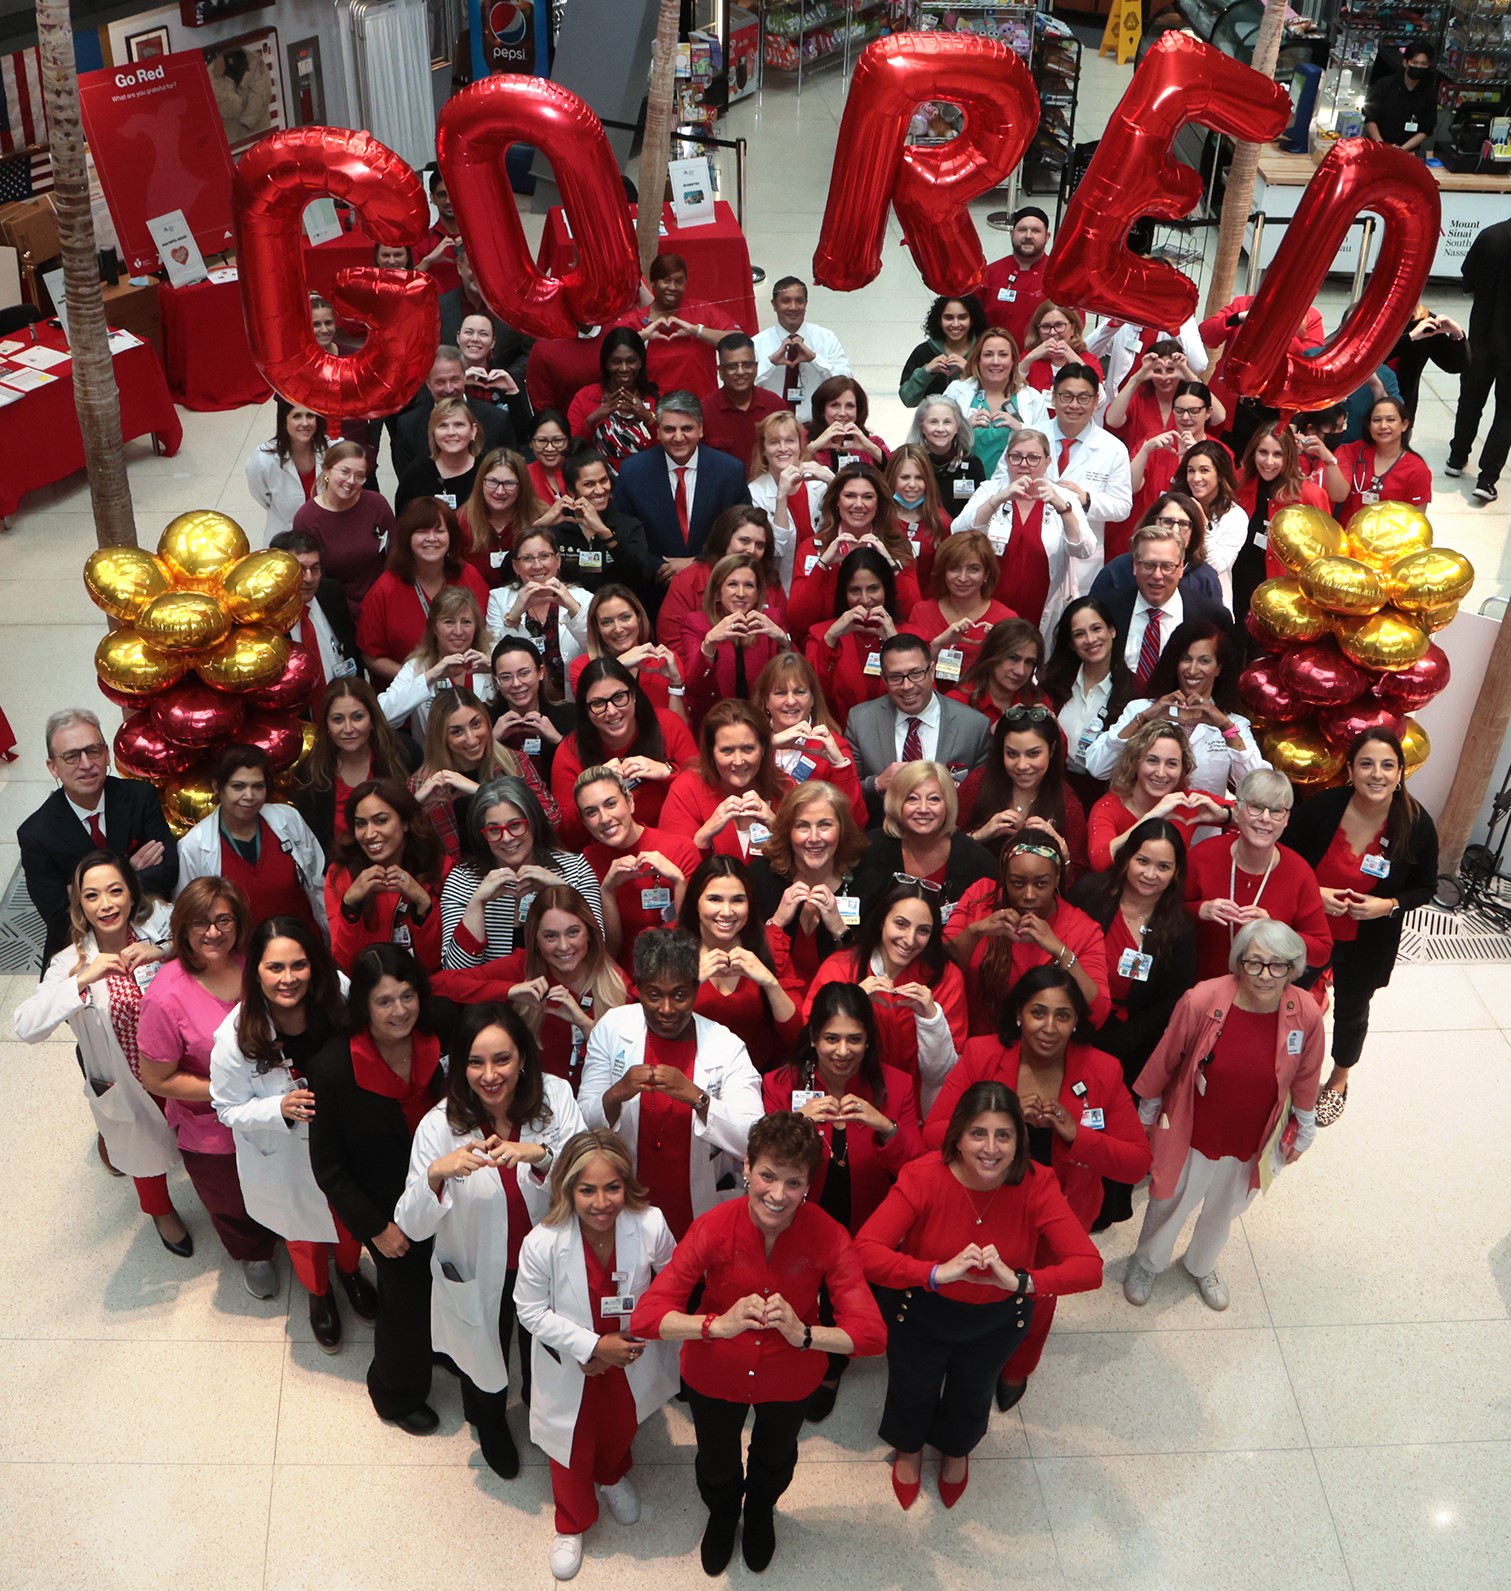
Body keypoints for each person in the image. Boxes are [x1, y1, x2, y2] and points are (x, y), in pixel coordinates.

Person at [631, 1111, 886, 1574]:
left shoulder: (828, 1235)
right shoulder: (712, 1226)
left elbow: (871, 1335)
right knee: (715, 1458)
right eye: (767, 1175)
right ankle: (725, 1512)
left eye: (793, 1183)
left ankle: (761, 1510)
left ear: (809, 1184)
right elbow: (648, 1317)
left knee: (775, 1456)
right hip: (715, 1371)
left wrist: (804, 1334)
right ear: (746, 1167)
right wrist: (715, 1325)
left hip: (790, 1376)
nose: (777, 1194)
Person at [855, 1080, 1101, 1508]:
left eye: (1003, 1135)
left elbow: (1089, 1267)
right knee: (912, 1386)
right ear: (958, 1137)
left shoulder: (1038, 1183)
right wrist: (934, 1273)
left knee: (973, 1391)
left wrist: (1021, 1282)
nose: (991, 1149)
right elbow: (865, 1252)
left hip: (996, 1319)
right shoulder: (923, 1175)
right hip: (920, 1311)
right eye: (978, 1134)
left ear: (1019, 1141)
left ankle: (956, 1449)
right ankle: (909, 1448)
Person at [921, 970, 1148, 1408]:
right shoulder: (984, 1055)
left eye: (1063, 1015)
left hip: (1058, 1213)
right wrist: (996, 1124)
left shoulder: (1102, 1069)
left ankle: (1017, 1367)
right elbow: (934, 1133)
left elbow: (1137, 1161)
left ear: (1077, 1021)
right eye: (1038, 1012)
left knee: (1036, 1298)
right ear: (1019, 1015)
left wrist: (1075, 1133)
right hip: (984, 1205)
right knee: (977, 1289)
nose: (1049, 1026)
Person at [395, 1002, 586, 1476]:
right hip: (481, 1270)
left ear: (523, 1058)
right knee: (482, 1353)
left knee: (544, 1351)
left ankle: (543, 1416)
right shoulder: (439, 1126)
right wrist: (436, 1175)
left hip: (545, 1264)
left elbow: (591, 1174)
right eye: (476, 1062)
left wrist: (540, 1154)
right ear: (459, 1066)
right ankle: (490, 1423)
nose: (490, 1074)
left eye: (502, 1059)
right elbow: (412, 1225)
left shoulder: (556, 1098)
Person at [1124, 921, 1322, 1312]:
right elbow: (1167, 1057)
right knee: (1171, 1199)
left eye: (1278, 965)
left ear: (1293, 967)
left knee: (1226, 1206)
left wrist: (1306, 1126)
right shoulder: (1202, 1000)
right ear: (1239, 962)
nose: (1266, 976)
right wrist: (1147, 1112)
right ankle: (1147, 1262)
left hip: (1252, 1135)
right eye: (1255, 963)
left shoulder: (1306, 1012)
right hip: (1193, 1128)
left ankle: (1202, 1264)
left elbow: (1306, 1074)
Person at [514, 1129, 679, 1582]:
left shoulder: (649, 1224)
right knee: (569, 1445)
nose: (602, 1202)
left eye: (612, 1187)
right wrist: (592, 1347)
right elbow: (528, 1310)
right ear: (567, 1186)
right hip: (572, 1364)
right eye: (587, 1189)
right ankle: (570, 1522)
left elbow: (673, 1280)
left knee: (620, 1425)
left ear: (628, 1184)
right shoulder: (544, 1241)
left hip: (630, 1358)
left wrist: (624, 1345)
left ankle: (610, 1476)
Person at [210, 920, 377, 1351]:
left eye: (299, 965)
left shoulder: (337, 995)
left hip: (343, 1139)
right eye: (275, 968)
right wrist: (277, 1108)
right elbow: (226, 1109)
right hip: (284, 1153)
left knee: (348, 1220)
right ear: (256, 972)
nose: (289, 979)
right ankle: (319, 1297)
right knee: (303, 1233)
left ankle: (350, 1273)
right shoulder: (233, 1039)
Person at [305, 945, 450, 1433]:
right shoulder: (333, 1069)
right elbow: (329, 1169)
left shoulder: (436, 1037)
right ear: (364, 1005)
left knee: (446, 1284)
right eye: (385, 1001)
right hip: (387, 1213)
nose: (400, 1011)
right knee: (404, 1302)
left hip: (446, 1197)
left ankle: (440, 1347)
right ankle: (394, 1392)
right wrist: (376, 1229)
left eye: (408, 996)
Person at [760, 986, 923, 1416]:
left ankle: (831, 1368)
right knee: (794, 1287)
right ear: (813, 1037)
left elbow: (919, 1169)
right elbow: (763, 1163)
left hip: (863, 1220)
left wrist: (885, 1126)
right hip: (797, 1216)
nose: (842, 1050)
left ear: (869, 1040)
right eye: (831, 1038)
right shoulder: (780, 1085)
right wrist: (795, 1124)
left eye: (854, 1039)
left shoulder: (897, 1086)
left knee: (843, 1295)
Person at [14, 850, 186, 1254]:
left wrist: (163, 951)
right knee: (142, 1150)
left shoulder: (159, 920)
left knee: (202, 1142)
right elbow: (26, 1027)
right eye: (92, 896)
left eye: (115, 891)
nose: (106, 905)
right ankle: (161, 1212)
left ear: (131, 892)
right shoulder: (69, 963)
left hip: (179, 1065)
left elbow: (205, 938)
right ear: (80, 904)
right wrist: (82, 980)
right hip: (125, 1078)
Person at [1286, 729, 1438, 1122]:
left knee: (1352, 1011)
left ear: (1401, 772)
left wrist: (1387, 905)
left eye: (1388, 765)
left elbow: (1426, 888)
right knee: (1289, 998)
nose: (1377, 774)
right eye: (1366, 764)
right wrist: (1314, 893)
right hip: (1310, 930)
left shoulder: (1417, 824)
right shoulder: (1323, 808)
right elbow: (1285, 857)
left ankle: (1338, 1079)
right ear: (1350, 771)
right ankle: (1282, 1068)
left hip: (1368, 940)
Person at [137, 878, 280, 1295]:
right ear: (182, 927)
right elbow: (156, 1078)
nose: (213, 932)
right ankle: (253, 1252)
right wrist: (230, 1092)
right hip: (213, 1129)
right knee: (231, 1201)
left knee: (280, 1181)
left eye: (223, 920)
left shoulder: (255, 963)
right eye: (200, 922)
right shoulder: (165, 996)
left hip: (274, 1111)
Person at [580, 928, 764, 1240]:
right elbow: (582, 1121)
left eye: (679, 995)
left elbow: (754, 1138)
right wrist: (617, 1093)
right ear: (637, 989)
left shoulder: (726, 1045)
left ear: (695, 990)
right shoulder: (612, 1029)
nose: (666, 1009)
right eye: (654, 995)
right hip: (624, 1207)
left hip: (697, 1210)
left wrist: (698, 1098)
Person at [1068, 817, 1197, 1224]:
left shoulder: (1177, 927)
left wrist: (1122, 1042)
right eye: (1143, 861)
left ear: (1176, 873)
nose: (1151, 874)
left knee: (1113, 1126)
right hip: (1074, 1027)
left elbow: (1173, 1001)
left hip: (1133, 1042)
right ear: (1126, 859)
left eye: (1163, 867)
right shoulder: (1090, 894)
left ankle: (1104, 1206)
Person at [435, 884, 630, 1092]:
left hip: (600, 1106)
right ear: (535, 940)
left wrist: (584, 1024)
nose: (563, 946)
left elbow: (629, 1065)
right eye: (550, 936)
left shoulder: (614, 980)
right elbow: (438, 984)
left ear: (589, 933)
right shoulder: (522, 968)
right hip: (536, 1106)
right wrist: (510, 991)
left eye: (573, 932)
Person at [21, 708, 178, 966]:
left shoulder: (140, 797)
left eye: (93, 751)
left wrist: (83, 892)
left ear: (106, 755)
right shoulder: (36, 833)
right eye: (71, 756)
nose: (86, 764)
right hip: (79, 950)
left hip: (150, 935)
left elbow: (168, 872)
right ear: (53, 767)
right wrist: (127, 870)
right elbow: (59, 915)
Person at [804, 877, 968, 1110]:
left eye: (923, 931)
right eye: (901, 924)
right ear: (882, 920)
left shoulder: (946, 978)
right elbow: (809, 1041)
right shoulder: (840, 968)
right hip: (844, 1104)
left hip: (918, 1109)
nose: (909, 940)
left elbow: (946, 1074)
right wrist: (852, 1002)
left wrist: (932, 1019)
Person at [1085, 619, 1266, 807]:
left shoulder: (1234, 724)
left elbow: (1260, 791)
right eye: (1186, 659)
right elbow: (1098, 767)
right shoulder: (1140, 709)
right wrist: (1144, 718)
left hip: (1202, 832)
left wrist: (1226, 727)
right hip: (1144, 830)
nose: (1192, 669)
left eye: (1204, 661)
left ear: (1218, 668)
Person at [946, 835, 1110, 1036]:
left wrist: (1061, 952)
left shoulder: (1083, 929)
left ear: (1057, 878)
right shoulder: (981, 897)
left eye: (1041, 884)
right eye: (1017, 883)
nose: (1029, 895)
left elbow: (1098, 1015)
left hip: (1041, 1048)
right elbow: (937, 972)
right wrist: (975, 932)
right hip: (972, 1039)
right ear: (1004, 878)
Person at [1185, 768, 1332, 982]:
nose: (1265, 818)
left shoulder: (1299, 873)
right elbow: (1162, 914)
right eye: (1255, 807)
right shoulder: (1202, 856)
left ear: (1286, 819)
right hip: (1200, 992)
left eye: (1276, 811)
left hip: (1265, 996)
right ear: (1236, 810)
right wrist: (1200, 910)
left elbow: (1321, 951)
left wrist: (1276, 931)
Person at [440, 776, 603, 967]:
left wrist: (561, 889)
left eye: (515, 825)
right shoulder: (462, 880)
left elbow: (600, 950)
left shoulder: (576, 869)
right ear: (481, 834)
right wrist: (476, 903)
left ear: (533, 822)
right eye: (494, 830)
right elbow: (454, 969)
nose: (507, 838)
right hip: (495, 993)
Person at [953, 428, 1096, 635]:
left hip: (1042, 605)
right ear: (1007, 459)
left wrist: (1063, 508)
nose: (1024, 464)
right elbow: (958, 532)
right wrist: (998, 499)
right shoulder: (990, 490)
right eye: (1016, 457)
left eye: (1033, 458)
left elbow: (1085, 549)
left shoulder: (1064, 497)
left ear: (1047, 461)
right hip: (990, 604)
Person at [174, 744, 326, 933]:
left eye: (258, 786)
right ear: (217, 787)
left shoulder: (288, 819)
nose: (249, 796)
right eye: (238, 786)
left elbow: (319, 885)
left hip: (303, 947)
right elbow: (190, 914)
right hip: (241, 957)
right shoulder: (194, 846)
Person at [844, 632, 993, 817]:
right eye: (896, 677)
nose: (907, 686)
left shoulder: (973, 726)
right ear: (884, 679)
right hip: (881, 834)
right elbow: (847, 793)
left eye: (915, 674)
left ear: (931, 671)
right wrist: (877, 784)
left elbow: (982, 799)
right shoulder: (861, 720)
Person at [550, 659, 698, 843]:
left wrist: (667, 773)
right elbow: (566, 835)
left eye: (619, 697)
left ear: (634, 694)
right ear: (585, 711)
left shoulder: (668, 725)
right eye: (598, 704)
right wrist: (593, 789)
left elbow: (703, 795)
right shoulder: (570, 751)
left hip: (673, 845)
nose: (611, 711)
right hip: (605, 855)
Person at [613, 392, 753, 582]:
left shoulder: (729, 471)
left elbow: (742, 532)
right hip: (651, 586)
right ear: (658, 432)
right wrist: (661, 567)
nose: (678, 437)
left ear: (701, 429)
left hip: (714, 584)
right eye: (669, 429)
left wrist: (699, 563)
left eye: (687, 428)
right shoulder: (633, 472)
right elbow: (623, 534)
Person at [356, 498, 491, 686]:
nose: (432, 538)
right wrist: (423, 680)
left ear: (451, 536)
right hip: (410, 698)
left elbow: (489, 635)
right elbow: (371, 656)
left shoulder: (470, 577)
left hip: (470, 695)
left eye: (439, 530)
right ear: (407, 538)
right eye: (422, 531)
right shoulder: (384, 589)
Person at [678, 855, 802, 1060]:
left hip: (757, 1079)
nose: (726, 912)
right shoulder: (669, 946)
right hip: (685, 1074)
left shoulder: (771, 945)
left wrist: (770, 983)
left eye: (737, 900)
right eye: (715, 899)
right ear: (695, 902)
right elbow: (652, 1027)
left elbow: (797, 1036)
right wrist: (687, 985)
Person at [752, 779, 869, 995]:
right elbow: (750, 965)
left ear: (842, 829)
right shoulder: (761, 876)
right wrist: (776, 922)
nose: (814, 838)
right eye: (802, 826)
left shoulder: (867, 880)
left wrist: (841, 930)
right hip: (772, 1004)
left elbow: (871, 971)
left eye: (825, 825)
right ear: (788, 831)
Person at [1021, 365, 1134, 589]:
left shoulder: (1113, 448)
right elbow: (1003, 484)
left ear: (1095, 402)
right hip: (1030, 550)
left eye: (1083, 398)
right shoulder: (1029, 437)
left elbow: (1123, 507)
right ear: (1053, 398)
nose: (1074, 405)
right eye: (1066, 396)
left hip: (1082, 560)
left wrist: (1085, 499)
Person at [410, 684, 554, 858]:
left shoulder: (515, 762)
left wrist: (481, 792)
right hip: (458, 880)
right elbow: (410, 852)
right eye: (457, 732)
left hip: (522, 868)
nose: (471, 739)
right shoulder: (421, 783)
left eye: (476, 724)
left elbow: (552, 819)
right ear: (441, 737)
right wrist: (414, 806)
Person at [574, 764, 702, 959]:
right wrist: (607, 891)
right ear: (584, 823)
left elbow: (695, 937)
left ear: (630, 802)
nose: (604, 818)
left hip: (679, 968)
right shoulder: (587, 861)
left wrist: (678, 881)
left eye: (611, 804)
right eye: (591, 812)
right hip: (620, 979)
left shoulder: (681, 848)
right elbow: (608, 953)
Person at [850, 757, 994, 924]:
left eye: (934, 799)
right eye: (912, 799)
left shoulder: (978, 863)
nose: (923, 809)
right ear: (897, 803)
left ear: (948, 805)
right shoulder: (867, 851)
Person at [788, 465, 922, 643]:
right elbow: (798, 619)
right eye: (850, 496)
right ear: (837, 500)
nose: (858, 504)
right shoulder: (812, 548)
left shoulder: (898, 546)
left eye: (867, 497)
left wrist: (890, 564)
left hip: (883, 647)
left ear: (878, 504)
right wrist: (823, 565)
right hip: (828, 648)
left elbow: (912, 613)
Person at [326, 779, 450, 972]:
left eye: (380, 820)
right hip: (367, 991)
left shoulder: (441, 869)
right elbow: (346, 963)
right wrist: (351, 904)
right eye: (360, 824)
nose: (369, 834)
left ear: (406, 822)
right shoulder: (341, 873)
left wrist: (423, 904)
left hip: (428, 991)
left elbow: (434, 963)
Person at [1095, 524, 1231, 694]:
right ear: (1135, 566)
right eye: (1149, 565)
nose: (1157, 575)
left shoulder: (1211, 617)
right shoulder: (1106, 609)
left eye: (1167, 566)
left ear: (1181, 567)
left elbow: (1225, 685)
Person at [958, 706, 1089, 877]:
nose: (1022, 765)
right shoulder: (978, 783)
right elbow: (942, 844)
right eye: (1012, 754)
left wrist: (1059, 846)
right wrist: (980, 835)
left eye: (1033, 754)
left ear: (1052, 749)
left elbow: (1079, 878)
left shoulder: (1067, 802)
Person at [1087, 719, 1228, 871]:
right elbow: (1100, 861)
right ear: (1135, 762)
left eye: (1172, 764)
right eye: (1152, 761)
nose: (1161, 773)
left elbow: (1250, 813)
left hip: (1173, 893)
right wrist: (1152, 817)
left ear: (1183, 769)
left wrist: (1226, 815)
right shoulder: (1109, 807)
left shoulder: (1187, 801)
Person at [292, 678, 413, 855]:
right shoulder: (310, 774)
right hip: (341, 875)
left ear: (372, 719)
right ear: (326, 724)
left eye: (357, 717)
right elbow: (316, 849)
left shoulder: (404, 754)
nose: (348, 728)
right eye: (338, 719)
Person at [660, 699, 790, 861]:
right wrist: (704, 835)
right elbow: (674, 868)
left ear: (763, 748)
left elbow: (807, 864)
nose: (738, 761)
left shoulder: (785, 788)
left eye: (748, 749)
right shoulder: (687, 789)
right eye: (727, 751)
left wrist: (775, 826)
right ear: (711, 753)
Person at [751, 649, 869, 828]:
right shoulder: (748, 742)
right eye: (780, 693)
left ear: (813, 699)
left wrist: (838, 765)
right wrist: (769, 745)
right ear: (766, 700)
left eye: (799, 692)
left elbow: (856, 822)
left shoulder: (832, 745)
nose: (790, 701)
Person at [1232, 423, 1334, 626]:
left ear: (1289, 456)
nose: (1269, 462)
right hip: (1238, 585)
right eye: (1263, 452)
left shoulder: (1310, 495)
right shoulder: (1238, 482)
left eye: (1277, 454)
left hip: (1283, 597)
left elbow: (1327, 555)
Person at [654, 503, 784, 661]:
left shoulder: (770, 582)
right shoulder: (689, 580)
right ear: (725, 539)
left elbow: (784, 638)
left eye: (759, 545)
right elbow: (672, 646)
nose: (751, 550)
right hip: (700, 675)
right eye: (744, 541)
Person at [485, 527, 592, 703]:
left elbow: (595, 649)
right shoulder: (499, 598)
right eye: (527, 558)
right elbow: (495, 659)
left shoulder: (582, 597)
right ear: (516, 566)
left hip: (574, 704)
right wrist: (514, 614)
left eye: (544, 556)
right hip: (521, 704)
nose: (537, 565)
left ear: (557, 560)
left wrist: (573, 608)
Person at [292, 440, 398, 616]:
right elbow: (318, 582)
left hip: (385, 602)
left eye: (359, 476)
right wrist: (361, 612)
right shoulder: (307, 519)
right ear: (327, 470)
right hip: (340, 611)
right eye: (345, 472)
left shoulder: (376, 504)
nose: (351, 481)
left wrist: (385, 600)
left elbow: (396, 551)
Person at [1447, 216, 1511, 505]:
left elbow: (1467, 282)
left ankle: (1457, 457)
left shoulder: (1490, 235)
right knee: (1507, 412)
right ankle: (1487, 479)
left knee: (1470, 400)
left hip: (1481, 336)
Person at [1042, 597, 1129, 803]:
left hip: (1108, 797)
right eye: (1079, 634)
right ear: (1071, 644)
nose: (1090, 640)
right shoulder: (1053, 684)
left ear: (1112, 631)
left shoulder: (1133, 692)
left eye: (1097, 629)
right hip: (1051, 792)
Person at [377, 586, 493, 738]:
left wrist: (496, 670)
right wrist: (429, 677)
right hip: (433, 760)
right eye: (449, 622)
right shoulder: (417, 667)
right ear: (433, 628)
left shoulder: (492, 658)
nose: (458, 631)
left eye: (466, 622)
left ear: (476, 627)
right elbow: (382, 716)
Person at [615, 252, 736, 396]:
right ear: (653, 282)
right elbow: (609, 358)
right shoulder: (633, 321)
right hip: (654, 412)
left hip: (702, 409)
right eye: (666, 281)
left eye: (679, 281)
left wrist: (697, 331)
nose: (672, 287)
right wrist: (642, 337)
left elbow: (740, 342)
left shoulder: (704, 311)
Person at [390, 347, 515, 483]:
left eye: (455, 380)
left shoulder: (496, 419)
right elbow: (408, 483)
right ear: (428, 383)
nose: (449, 389)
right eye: (440, 382)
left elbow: (508, 473)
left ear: (465, 377)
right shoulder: (408, 425)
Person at [536, 448, 652, 594]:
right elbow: (512, 570)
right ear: (572, 490)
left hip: (614, 611)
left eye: (604, 481)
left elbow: (642, 578)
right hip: (566, 611)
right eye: (589, 484)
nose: (600, 490)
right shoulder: (556, 527)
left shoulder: (629, 526)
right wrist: (539, 526)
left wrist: (605, 534)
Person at [907, 530, 1015, 683]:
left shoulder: (1006, 619)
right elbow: (910, 673)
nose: (963, 578)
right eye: (954, 568)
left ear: (987, 574)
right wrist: (937, 645)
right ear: (943, 572)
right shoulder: (921, 612)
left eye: (974, 569)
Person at [942, 329, 1050, 478]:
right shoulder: (956, 391)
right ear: (977, 359)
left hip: (1013, 488)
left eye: (1003, 354)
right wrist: (963, 427)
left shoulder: (1032, 398)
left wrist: (1021, 429)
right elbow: (933, 437)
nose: (996, 361)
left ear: (1013, 361)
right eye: (988, 354)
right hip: (960, 484)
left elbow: (1046, 449)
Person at [746, 410, 831, 592]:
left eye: (790, 440)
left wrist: (833, 480)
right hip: (780, 588)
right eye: (774, 442)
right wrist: (781, 497)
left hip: (823, 582)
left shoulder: (820, 483)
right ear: (763, 450)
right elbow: (776, 550)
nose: (783, 448)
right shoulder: (754, 493)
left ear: (801, 446)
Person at [269, 529, 363, 688]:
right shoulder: (268, 620)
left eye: (314, 569)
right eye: (299, 569)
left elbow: (353, 655)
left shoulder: (332, 595)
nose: (309, 578)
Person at [572, 585, 686, 716]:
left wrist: (675, 685)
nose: (618, 629)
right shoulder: (581, 668)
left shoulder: (664, 659)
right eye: (606, 622)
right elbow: (593, 725)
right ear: (597, 628)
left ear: (638, 617)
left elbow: (680, 730)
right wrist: (617, 665)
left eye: (625, 617)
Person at [752, 274, 853, 422]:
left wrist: (815, 359)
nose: (793, 307)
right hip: (770, 429)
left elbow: (848, 382)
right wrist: (770, 363)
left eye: (799, 301)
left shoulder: (826, 338)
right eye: (786, 301)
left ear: (806, 303)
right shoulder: (757, 343)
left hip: (817, 427)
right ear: (774, 304)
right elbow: (740, 387)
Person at [1318, 394, 1432, 523]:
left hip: (1390, 540)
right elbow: (1337, 495)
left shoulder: (1417, 469)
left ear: (1404, 425)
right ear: (1369, 426)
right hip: (1346, 537)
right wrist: (1329, 460)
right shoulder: (1350, 452)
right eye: (1377, 420)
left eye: (1390, 420)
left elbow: (1417, 521)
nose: (1383, 426)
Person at [489, 636, 577, 787]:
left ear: (540, 672)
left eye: (524, 673)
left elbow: (585, 773)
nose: (516, 683)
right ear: (496, 682)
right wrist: (491, 741)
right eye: (506, 677)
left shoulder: (569, 715)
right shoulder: (486, 719)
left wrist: (558, 740)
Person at [1169, 441, 1246, 611]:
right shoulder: (1172, 506)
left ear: (1219, 474)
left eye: (1204, 470)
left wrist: (1200, 523)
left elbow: (1217, 565)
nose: (1196, 478)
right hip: (1170, 598)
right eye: (1191, 471)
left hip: (1212, 602)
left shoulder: (1235, 516)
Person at [567, 327, 660, 467]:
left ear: (641, 361)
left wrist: (648, 418)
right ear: (606, 363)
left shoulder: (656, 399)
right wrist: (593, 419)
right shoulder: (584, 398)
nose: (624, 368)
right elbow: (572, 452)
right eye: (616, 361)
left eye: (631, 361)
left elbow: (671, 448)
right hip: (599, 485)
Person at [458, 447, 546, 590]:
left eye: (509, 483)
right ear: (481, 482)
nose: (500, 491)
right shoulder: (461, 521)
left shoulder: (540, 517)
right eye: (492, 481)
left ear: (522, 485)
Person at [245, 397, 328, 544]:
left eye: (310, 415)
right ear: (284, 421)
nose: (305, 423)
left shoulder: (332, 450)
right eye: (297, 416)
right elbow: (262, 496)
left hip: (325, 536)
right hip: (284, 539)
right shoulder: (262, 459)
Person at [947, 616, 1053, 728]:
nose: (1020, 671)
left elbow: (1060, 745)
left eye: (1029, 662)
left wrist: (1053, 732)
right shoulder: (958, 702)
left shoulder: (1037, 700)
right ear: (992, 654)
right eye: (1013, 658)